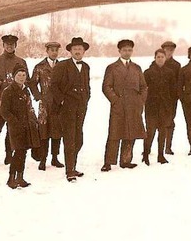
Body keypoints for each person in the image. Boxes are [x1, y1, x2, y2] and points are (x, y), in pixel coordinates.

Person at [0, 34, 28, 171]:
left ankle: (9, 156)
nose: (10, 46)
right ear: (3, 46)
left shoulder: (21, 62)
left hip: (16, 105)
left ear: (15, 46)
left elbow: (26, 79)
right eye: (7, 44)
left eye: (12, 44)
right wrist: (0, 85)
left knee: (12, 132)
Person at [101, 39, 147, 171]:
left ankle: (126, 160)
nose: (127, 52)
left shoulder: (136, 68)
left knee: (131, 133)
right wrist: (115, 100)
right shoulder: (112, 68)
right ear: (119, 51)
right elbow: (106, 86)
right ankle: (108, 162)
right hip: (119, 106)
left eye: (129, 50)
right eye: (125, 50)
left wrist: (140, 100)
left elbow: (144, 87)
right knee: (115, 133)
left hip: (134, 106)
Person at [51, 37, 92, 182]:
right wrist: (62, 100)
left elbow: (86, 84)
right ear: (70, 51)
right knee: (69, 138)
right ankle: (69, 171)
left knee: (78, 139)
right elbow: (53, 86)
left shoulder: (86, 67)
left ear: (84, 51)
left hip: (81, 106)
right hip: (67, 107)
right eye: (75, 49)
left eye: (80, 49)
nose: (77, 51)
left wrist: (87, 97)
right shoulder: (62, 66)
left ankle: (73, 166)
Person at [0, 64, 40, 189]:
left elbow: (29, 107)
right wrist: (14, 121)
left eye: (24, 75)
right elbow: (4, 111)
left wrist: (33, 121)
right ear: (13, 76)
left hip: (27, 125)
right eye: (19, 75)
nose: (22, 77)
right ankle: (11, 178)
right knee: (18, 152)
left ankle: (20, 177)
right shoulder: (8, 91)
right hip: (15, 127)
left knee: (23, 152)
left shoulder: (26, 90)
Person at [28, 41, 64, 171]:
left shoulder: (62, 66)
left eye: (56, 50)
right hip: (45, 105)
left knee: (57, 130)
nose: (54, 52)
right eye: (52, 50)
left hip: (58, 104)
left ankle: (55, 158)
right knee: (43, 131)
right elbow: (32, 83)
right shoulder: (40, 67)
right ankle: (43, 159)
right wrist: (38, 96)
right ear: (47, 51)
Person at [142, 49, 176, 165]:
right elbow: (142, 89)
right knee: (150, 132)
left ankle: (160, 155)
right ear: (155, 58)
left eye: (162, 57)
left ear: (165, 58)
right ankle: (145, 155)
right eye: (158, 57)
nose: (160, 59)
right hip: (151, 107)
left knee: (162, 132)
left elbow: (173, 92)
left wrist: (170, 106)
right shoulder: (148, 73)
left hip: (165, 107)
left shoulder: (170, 73)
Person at [161, 40, 181, 155]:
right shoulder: (158, 62)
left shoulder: (176, 65)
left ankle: (168, 147)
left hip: (172, 98)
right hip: (158, 98)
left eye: (171, 50)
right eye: (167, 49)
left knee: (170, 121)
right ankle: (154, 147)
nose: (169, 52)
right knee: (156, 122)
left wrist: (176, 96)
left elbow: (179, 82)